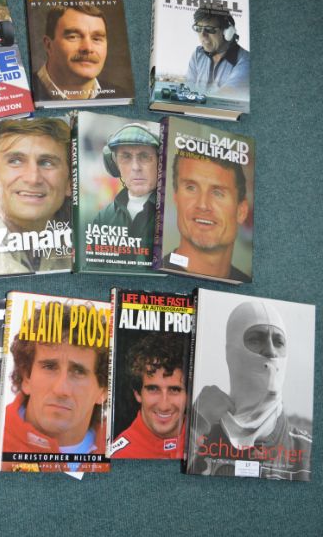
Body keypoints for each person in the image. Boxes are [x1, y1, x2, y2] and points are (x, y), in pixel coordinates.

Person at [189, 300, 312, 480]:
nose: (271, 351)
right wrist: (196, 424)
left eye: (278, 342)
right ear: (232, 352)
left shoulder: (308, 453)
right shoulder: (198, 438)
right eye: (256, 339)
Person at [3, 305, 109, 469]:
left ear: (103, 391)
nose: (61, 390)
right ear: (26, 378)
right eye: (50, 367)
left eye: (78, 372)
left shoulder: (122, 450)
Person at [0, 117, 71, 275]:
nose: (33, 178)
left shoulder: (72, 238)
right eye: (15, 161)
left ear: (70, 183)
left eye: (47, 163)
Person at [162, 153, 250, 281]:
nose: (203, 205)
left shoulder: (248, 286)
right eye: (191, 188)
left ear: (241, 211)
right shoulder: (152, 281)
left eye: (217, 193)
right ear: (176, 198)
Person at [111, 334, 187, 459]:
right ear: (137, 393)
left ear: (188, 396)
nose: (164, 406)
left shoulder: (208, 441)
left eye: (174, 390)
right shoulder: (119, 457)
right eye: (153, 389)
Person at [93, 123, 159, 261]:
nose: (136, 167)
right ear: (114, 165)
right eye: (126, 157)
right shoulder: (103, 217)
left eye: (145, 156)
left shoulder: (176, 215)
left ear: (160, 162)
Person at [33, 4, 125, 101]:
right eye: (73, 37)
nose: (88, 48)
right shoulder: (25, 93)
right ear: (48, 45)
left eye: (96, 39)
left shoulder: (120, 95)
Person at [186, 7, 250, 98]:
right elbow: (189, 89)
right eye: (199, 28)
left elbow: (225, 96)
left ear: (227, 32)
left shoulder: (246, 61)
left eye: (209, 29)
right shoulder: (198, 54)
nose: (202, 35)